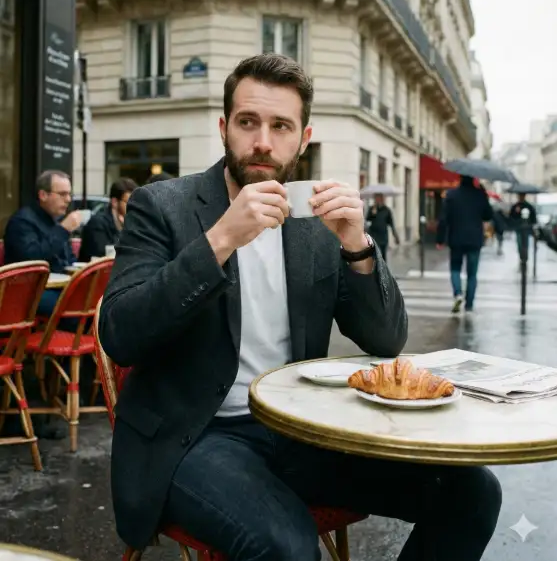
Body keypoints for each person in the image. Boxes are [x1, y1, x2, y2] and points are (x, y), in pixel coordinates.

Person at [100, 53, 501, 561]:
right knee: (286, 546)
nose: (263, 140)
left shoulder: (314, 220)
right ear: (225, 128)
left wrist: (357, 247)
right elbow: (121, 332)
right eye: (248, 122)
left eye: (280, 126)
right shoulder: (162, 206)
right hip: (196, 436)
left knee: (472, 492)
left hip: (300, 429)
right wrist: (219, 240)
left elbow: (385, 340)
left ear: (303, 138)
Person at [4, 170, 83, 316]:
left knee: (96, 298)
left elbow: (69, 259)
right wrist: (63, 230)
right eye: (62, 194)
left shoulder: (56, 220)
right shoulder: (22, 222)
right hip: (26, 291)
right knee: (76, 308)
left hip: (56, 287)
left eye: (69, 194)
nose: (68, 200)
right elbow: (33, 259)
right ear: (43, 195)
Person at [436, 175, 493, 314]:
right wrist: (484, 193)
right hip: (474, 240)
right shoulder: (479, 195)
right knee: (472, 274)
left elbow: (444, 219)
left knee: (455, 269)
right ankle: (469, 304)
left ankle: (457, 294)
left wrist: (440, 239)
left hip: (456, 239)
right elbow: (488, 215)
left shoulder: (451, 195)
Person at [78, 177, 137, 261]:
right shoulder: (97, 223)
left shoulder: (133, 223)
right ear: (114, 202)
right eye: (129, 202)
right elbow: (104, 256)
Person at [365, 194, 400, 263]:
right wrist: (372, 214)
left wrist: (395, 236)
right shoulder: (372, 209)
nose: (378, 200)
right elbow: (367, 219)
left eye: (380, 198)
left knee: (383, 255)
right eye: (377, 198)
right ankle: (374, 271)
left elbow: (391, 224)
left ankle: (383, 271)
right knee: (373, 254)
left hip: (383, 236)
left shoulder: (387, 210)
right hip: (373, 235)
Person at [508, 193, 537, 260]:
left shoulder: (529, 206)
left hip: (526, 228)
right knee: (519, 243)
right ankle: (522, 257)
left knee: (525, 244)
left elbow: (533, 218)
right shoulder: (515, 206)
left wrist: (531, 225)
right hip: (518, 228)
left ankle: (524, 258)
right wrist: (516, 212)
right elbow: (511, 217)